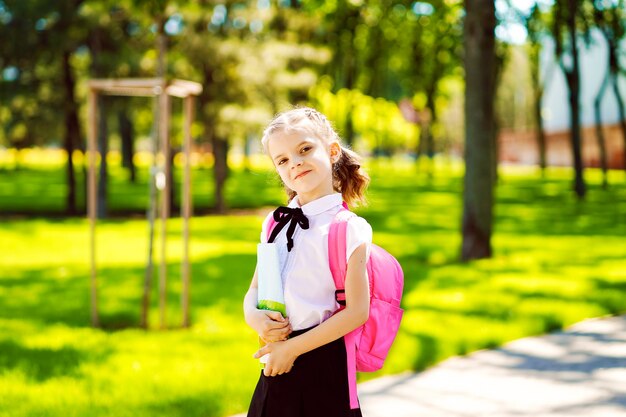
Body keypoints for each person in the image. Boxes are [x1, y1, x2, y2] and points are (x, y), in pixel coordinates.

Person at [243, 107, 373, 417]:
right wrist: (254, 316)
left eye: (304, 149)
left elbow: (357, 311)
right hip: (277, 361)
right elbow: (255, 290)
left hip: (324, 362)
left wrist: (293, 350)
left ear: (331, 152)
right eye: (283, 160)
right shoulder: (274, 224)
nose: (295, 162)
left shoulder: (348, 228)